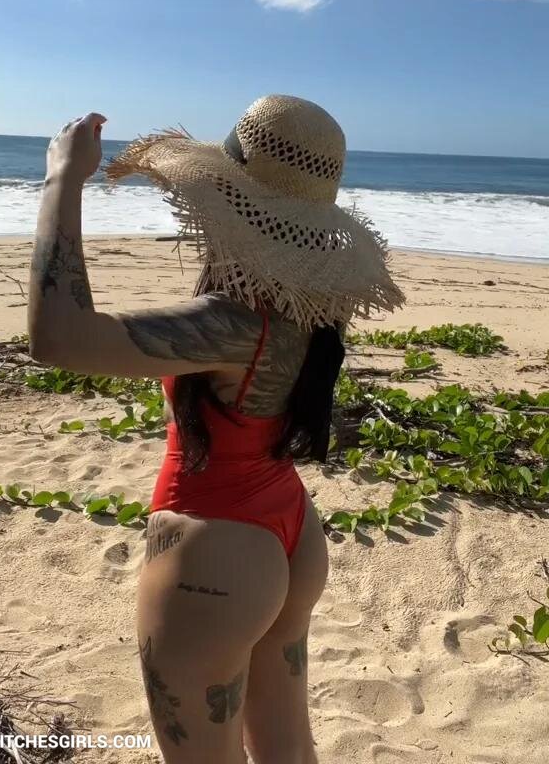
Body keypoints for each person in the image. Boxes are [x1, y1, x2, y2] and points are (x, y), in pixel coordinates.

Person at [28, 95, 403, 764]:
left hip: (216, 548)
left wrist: (62, 179)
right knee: (290, 751)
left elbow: (61, 338)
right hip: (289, 527)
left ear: (229, 203)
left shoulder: (231, 322)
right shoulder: (312, 308)